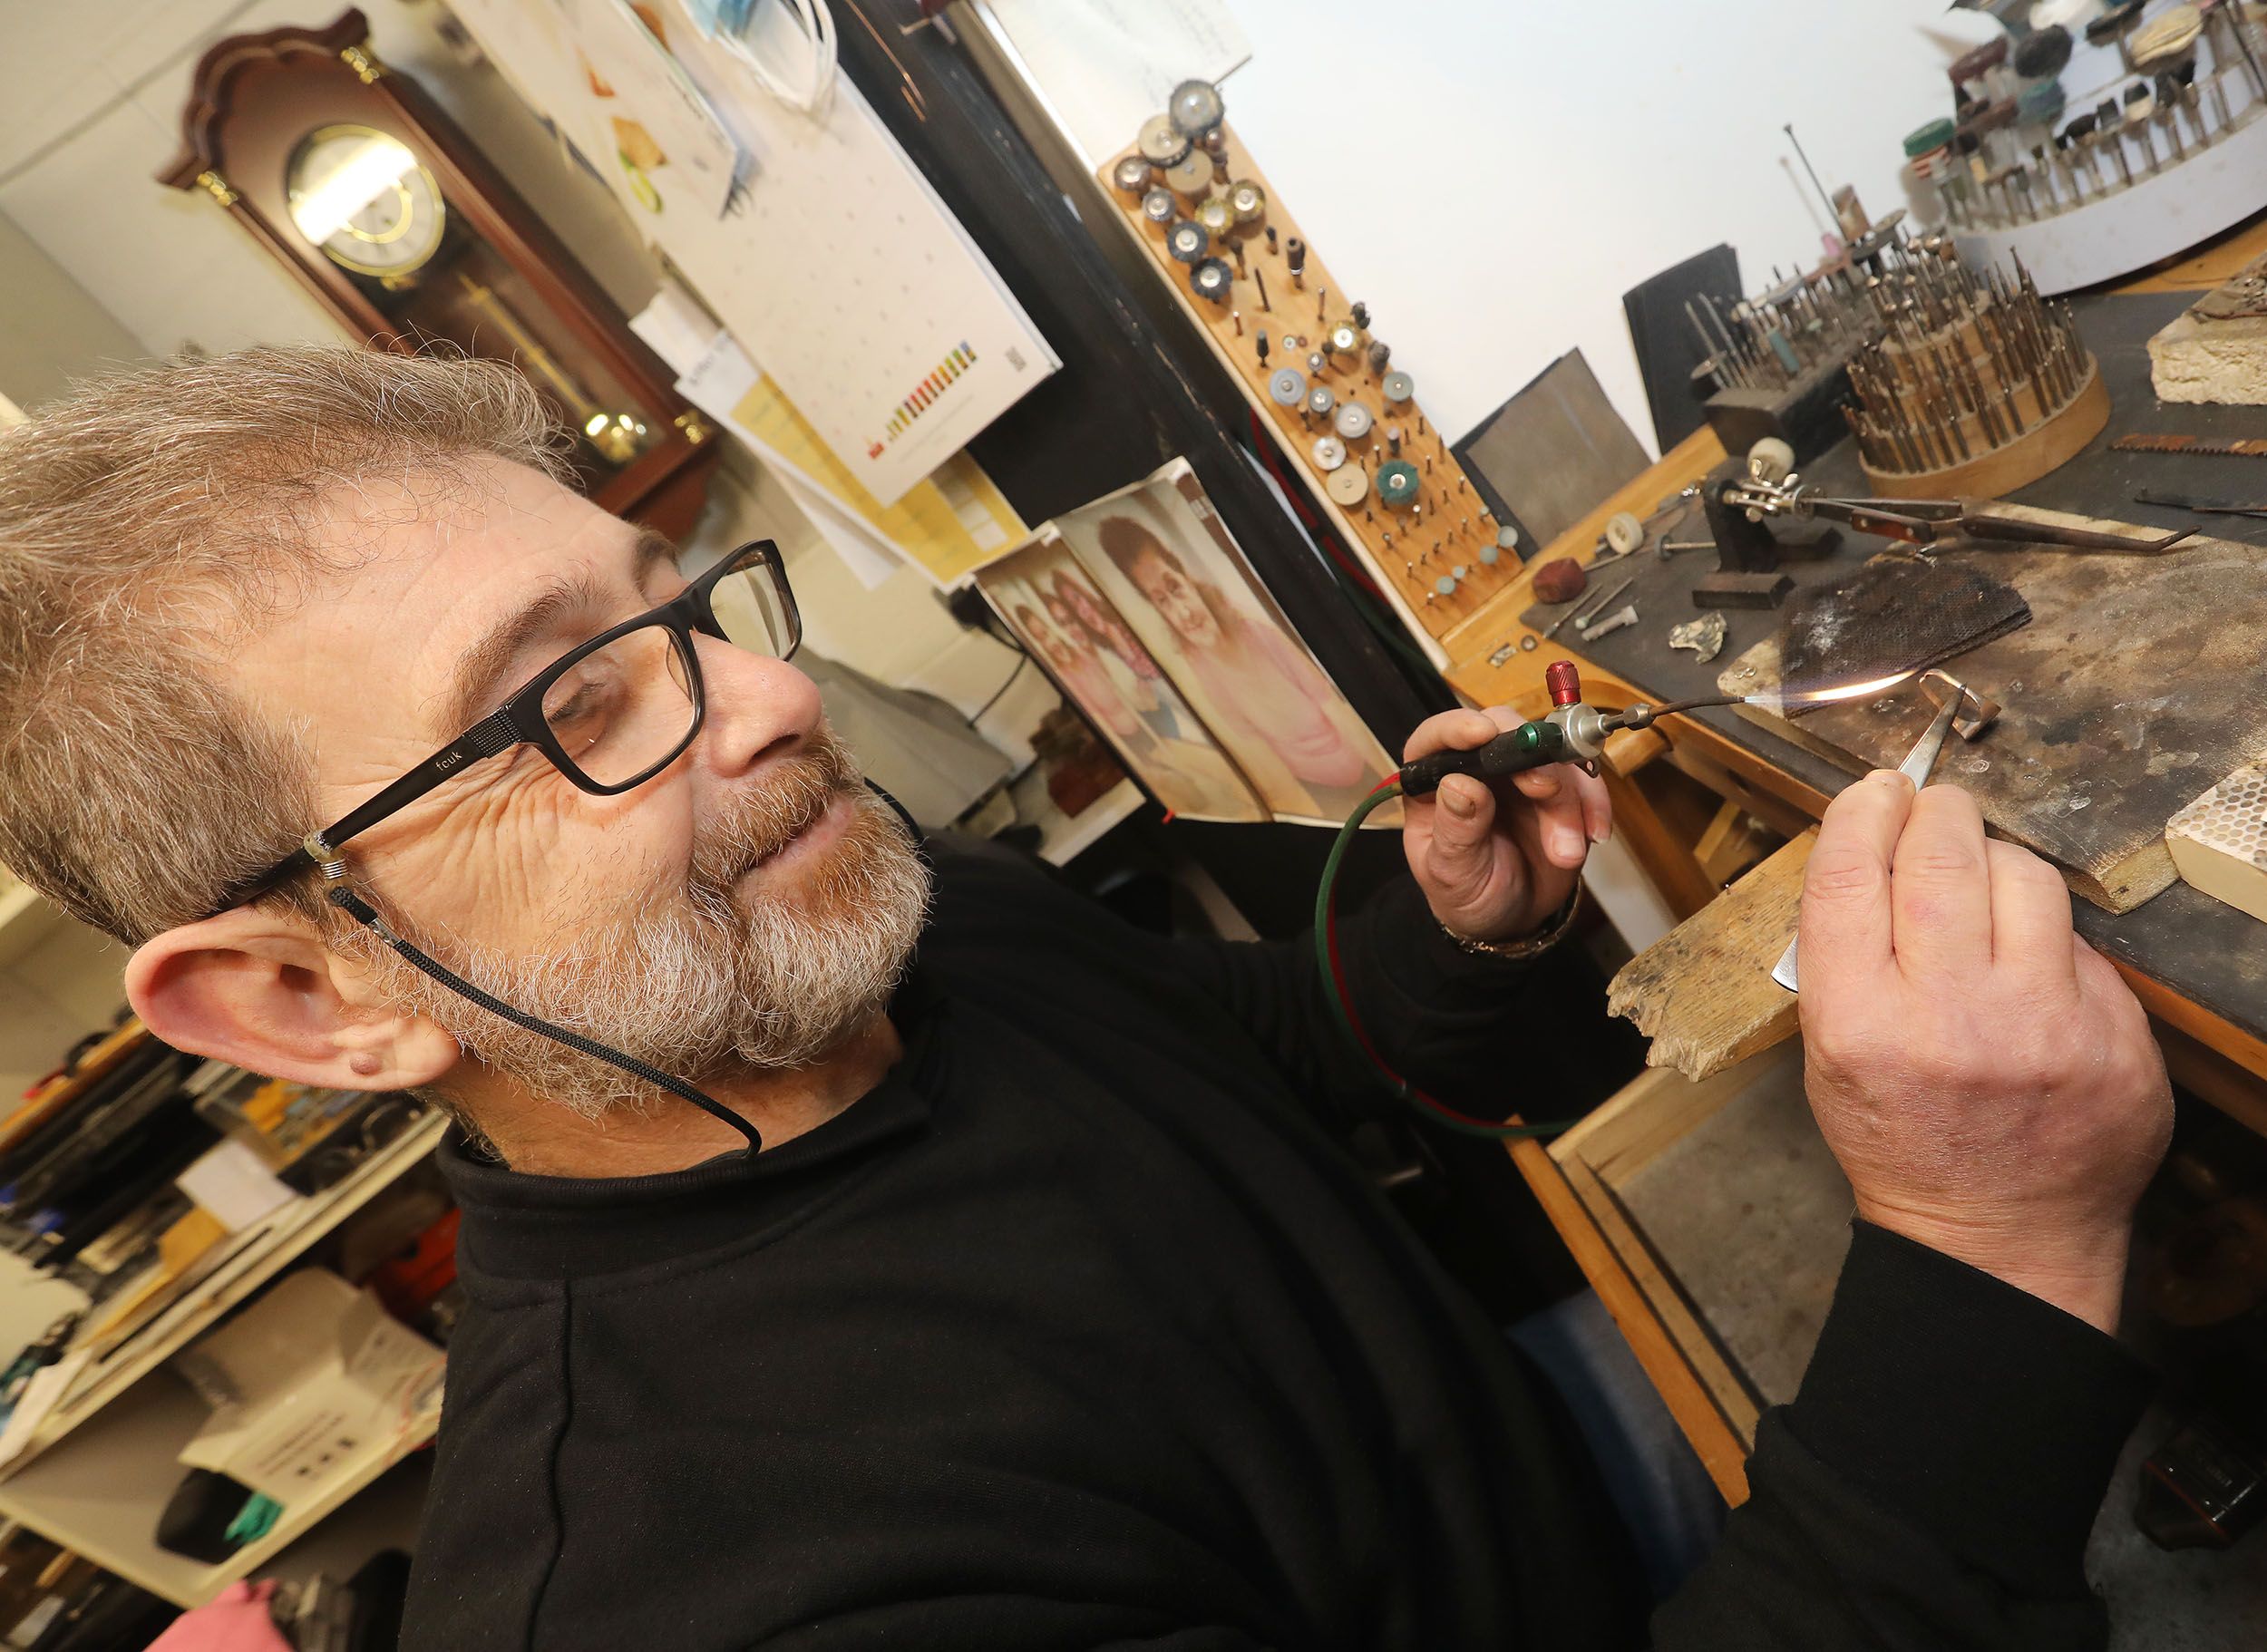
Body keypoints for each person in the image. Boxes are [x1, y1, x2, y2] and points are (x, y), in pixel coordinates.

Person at [0, 347, 2169, 1652]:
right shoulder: (731, 1599)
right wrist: (1985, 1249)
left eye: (683, 606)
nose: (768, 699)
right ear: (303, 998)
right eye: (574, 700)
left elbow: (1278, 1076)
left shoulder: (851, 930)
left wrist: (1461, 932)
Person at [1096, 513, 1380, 813]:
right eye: (1162, 601)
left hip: (1363, 770)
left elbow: (1334, 707)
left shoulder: (1255, 628)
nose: (1184, 613)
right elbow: (1259, 752)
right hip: (1318, 791)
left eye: (1175, 587)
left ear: (1186, 578)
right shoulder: (1198, 668)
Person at [1047, 564, 1185, 743]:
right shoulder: (1102, 645)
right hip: (1159, 705)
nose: (1081, 610)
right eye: (1073, 609)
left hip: (1180, 677)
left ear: (1085, 592)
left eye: (1078, 598)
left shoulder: (1120, 616)